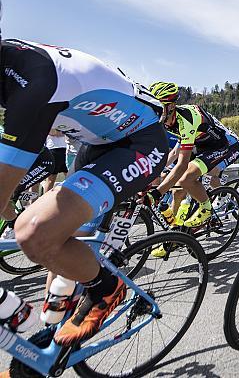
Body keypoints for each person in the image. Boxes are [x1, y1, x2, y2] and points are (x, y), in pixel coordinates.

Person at [0, 23, 168, 346]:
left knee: (33, 233)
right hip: (96, 141)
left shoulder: (32, 85)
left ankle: (106, 288)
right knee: (54, 248)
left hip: (140, 143)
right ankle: (49, 341)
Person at [144, 82, 239, 233]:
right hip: (204, 146)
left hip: (226, 146)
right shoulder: (168, 121)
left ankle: (207, 208)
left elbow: (182, 165)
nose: (153, 111)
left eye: (158, 106)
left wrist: (157, 193)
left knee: (186, 178)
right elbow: (175, 153)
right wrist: (154, 173)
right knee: (177, 191)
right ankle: (174, 233)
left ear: (170, 106)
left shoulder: (187, 118)